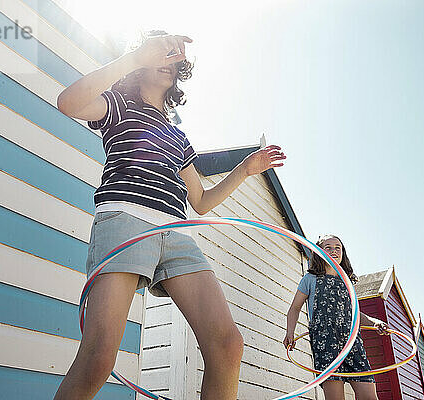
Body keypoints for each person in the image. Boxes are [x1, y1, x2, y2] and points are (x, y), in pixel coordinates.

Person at [54, 31, 286, 400]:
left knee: (228, 346)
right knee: (99, 356)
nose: (168, 60)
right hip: (126, 220)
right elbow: (68, 102)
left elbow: (202, 201)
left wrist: (243, 170)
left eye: (173, 58)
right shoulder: (120, 104)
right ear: (143, 60)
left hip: (176, 234)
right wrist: (133, 56)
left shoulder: (178, 136)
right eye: (159, 53)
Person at [283, 235, 388, 400]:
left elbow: (354, 313)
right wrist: (290, 332)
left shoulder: (348, 282)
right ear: (319, 252)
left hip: (352, 342)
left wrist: (374, 322)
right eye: (328, 247)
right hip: (326, 343)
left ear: (343, 253)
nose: (333, 251)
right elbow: (295, 308)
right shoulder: (310, 279)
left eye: (337, 247)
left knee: (369, 396)